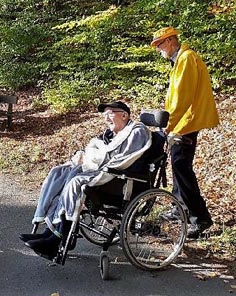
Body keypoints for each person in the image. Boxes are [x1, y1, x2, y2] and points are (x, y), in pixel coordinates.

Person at [20, 101, 152, 259]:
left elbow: (125, 160)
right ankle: (49, 232)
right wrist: (83, 155)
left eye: (110, 113)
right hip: (103, 174)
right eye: (104, 115)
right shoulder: (109, 134)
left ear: (124, 115)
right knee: (60, 174)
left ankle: (55, 239)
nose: (106, 118)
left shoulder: (137, 131)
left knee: (75, 182)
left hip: (119, 181)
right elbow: (93, 150)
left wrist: (93, 161)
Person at [151, 27, 220, 239]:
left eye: (160, 44)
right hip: (181, 121)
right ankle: (180, 207)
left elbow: (182, 99)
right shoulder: (179, 60)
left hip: (186, 123)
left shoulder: (187, 59)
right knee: (177, 165)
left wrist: (168, 125)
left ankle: (200, 219)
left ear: (171, 40)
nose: (159, 49)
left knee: (181, 167)